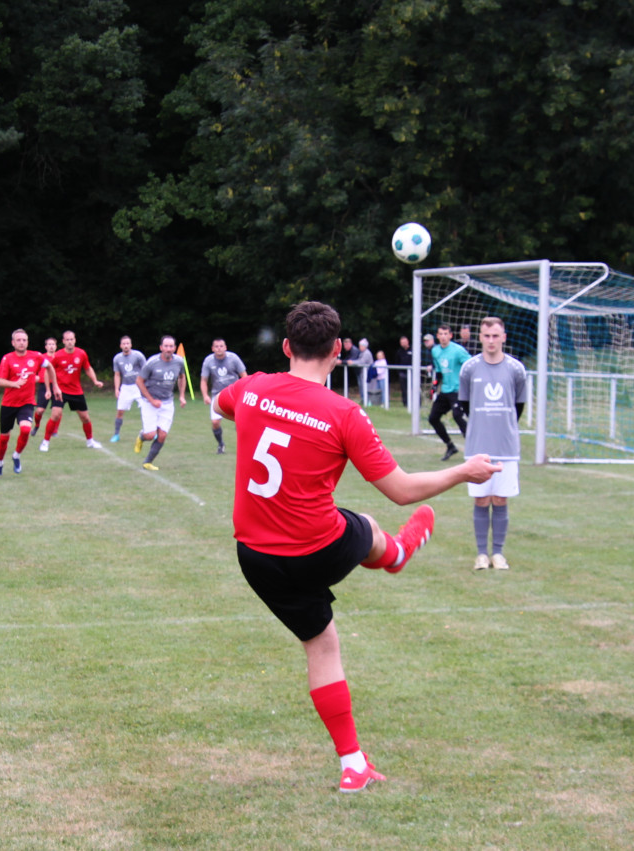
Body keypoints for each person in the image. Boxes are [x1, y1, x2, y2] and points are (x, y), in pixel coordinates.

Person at [214, 300, 499, 793]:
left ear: (286, 347)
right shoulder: (343, 413)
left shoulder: (253, 386)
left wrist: (261, 411)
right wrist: (463, 471)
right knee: (364, 523)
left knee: (320, 645)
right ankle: (397, 554)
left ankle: (353, 762)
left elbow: (222, 404)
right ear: (338, 351)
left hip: (255, 557)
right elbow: (402, 491)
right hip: (316, 546)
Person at [458, 317, 528, 570]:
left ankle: (497, 553)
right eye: (486, 336)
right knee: (480, 500)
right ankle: (481, 554)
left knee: (500, 499)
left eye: (495, 336)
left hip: (507, 448)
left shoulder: (516, 369)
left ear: (504, 337)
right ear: (480, 337)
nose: (491, 341)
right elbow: (466, 405)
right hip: (478, 446)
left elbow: (517, 407)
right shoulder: (469, 368)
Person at [0, 329, 60, 476]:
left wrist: (55, 385)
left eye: (24, 340)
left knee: (25, 430)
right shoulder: (7, 359)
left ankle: (16, 455)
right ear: (13, 343)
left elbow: (49, 367)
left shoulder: (36, 356)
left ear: (27, 342)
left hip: (27, 402)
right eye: (18, 340)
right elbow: (0, 381)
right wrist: (14, 383)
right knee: (4, 438)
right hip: (9, 404)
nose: (21, 342)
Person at [39, 329, 104, 451]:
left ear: (75, 340)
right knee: (55, 414)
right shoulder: (57, 355)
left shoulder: (81, 354)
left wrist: (95, 381)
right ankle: (45, 442)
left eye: (71, 339)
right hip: (60, 390)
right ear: (63, 341)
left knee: (85, 418)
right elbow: (48, 371)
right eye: (67, 340)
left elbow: (88, 368)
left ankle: (90, 441)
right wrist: (49, 389)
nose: (70, 342)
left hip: (76, 391)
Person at [134, 335, 187, 470]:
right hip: (148, 402)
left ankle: (148, 462)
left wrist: (181, 396)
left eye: (171, 346)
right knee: (151, 435)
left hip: (167, 403)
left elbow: (182, 377)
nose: (168, 349)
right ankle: (142, 436)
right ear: (161, 348)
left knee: (162, 434)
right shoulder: (152, 362)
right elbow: (139, 381)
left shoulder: (179, 362)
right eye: (166, 346)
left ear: (174, 348)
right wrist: (151, 400)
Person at [429, 324, 470, 461]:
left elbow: (471, 365)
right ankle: (450, 446)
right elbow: (439, 372)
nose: (443, 337)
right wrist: (434, 387)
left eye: (446, 334)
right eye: (441, 334)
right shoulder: (435, 351)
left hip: (458, 390)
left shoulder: (458, 351)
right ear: (437, 336)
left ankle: (473, 447)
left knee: (457, 415)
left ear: (451, 335)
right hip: (445, 390)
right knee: (433, 418)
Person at [200, 338, 247, 454]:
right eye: (216, 346)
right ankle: (221, 444)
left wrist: (245, 391)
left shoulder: (233, 358)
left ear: (225, 347)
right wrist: (205, 395)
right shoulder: (208, 361)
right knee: (215, 423)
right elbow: (204, 380)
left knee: (240, 421)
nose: (219, 348)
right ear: (213, 349)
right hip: (218, 396)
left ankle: (244, 446)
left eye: (221, 346)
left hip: (235, 394)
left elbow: (244, 376)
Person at [110, 335, 146, 443]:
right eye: (124, 344)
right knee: (120, 411)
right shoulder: (117, 358)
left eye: (128, 343)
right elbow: (117, 374)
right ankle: (116, 434)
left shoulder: (138, 355)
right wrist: (117, 388)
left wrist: (146, 385)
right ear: (121, 346)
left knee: (146, 409)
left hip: (139, 387)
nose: (126, 345)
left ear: (131, 344)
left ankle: (150, 432)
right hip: (125, 387)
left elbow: (146, 370)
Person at [31, 336, 58, 436]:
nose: (51, 346)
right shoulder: (41, 358)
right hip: (43, 386)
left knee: (57, 410)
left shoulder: (58, 357)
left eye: (53, 344)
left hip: (56, 386)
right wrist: (35, 377)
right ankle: (37, 425)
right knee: (40, 410)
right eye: (49, 344)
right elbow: (33, 370)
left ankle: (54, 431)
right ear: (46, 347)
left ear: (56, 346)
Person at [347, 338, 375, 406]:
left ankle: (367, 401)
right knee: (361, 387)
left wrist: (352, 362)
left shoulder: (366, 353)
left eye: (361, 346)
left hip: (367, 374)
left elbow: (361, 361)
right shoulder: (362, 353)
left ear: (364, 346)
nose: (359, 347)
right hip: (362, 373)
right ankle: (363, 400)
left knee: (365, 387)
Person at [394, 336, 413, 408]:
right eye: (401, 342)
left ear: (407, 341)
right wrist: (399, 372)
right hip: (402, 374)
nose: (403, 344)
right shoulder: (399, 351)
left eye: (404, 342)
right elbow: (397, 362)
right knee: (404, 389)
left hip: (412, 373)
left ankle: (415, 403)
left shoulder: (413, 349)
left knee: (413, 388)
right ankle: (405, 403)